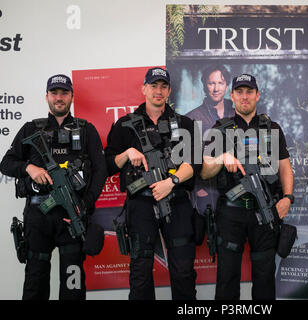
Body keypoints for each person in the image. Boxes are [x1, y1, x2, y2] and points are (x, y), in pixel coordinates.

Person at [0, 74, 107, 300]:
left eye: (64, 93)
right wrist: (30, 168)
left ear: (71, 97)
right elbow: (6, 164)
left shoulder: (87, 130)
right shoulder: (30, 129)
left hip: (72, 217)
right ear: (47, 96)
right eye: (54, 93)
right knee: (35, 282)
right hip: (38, 215)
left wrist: (85, 204)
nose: (59, 98)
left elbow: (100, 171)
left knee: (73, 284)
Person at [104, 67, 198, 300]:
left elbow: (194, 162)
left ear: (169, 91)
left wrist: (171, 182)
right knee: (141, 272)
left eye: (163, 86)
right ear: (144, 88)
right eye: (153, 86)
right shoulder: (125, 124)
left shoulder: (184, 123)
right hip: (141, 205)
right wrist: (127, 153)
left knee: (184, 271)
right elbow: (108, 164)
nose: (158, 91)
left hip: (176, 202)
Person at [200, 73, 294, 300]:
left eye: (249, 92)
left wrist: (288, 198)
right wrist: (223, 157)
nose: (244, 96)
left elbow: (284, 167)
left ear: (257, 95)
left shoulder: (272, 127)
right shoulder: (220, 128)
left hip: (265, 212)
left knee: (264, 276)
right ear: (231, 96)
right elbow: (204, 170)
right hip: (231, 213)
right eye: (239, 92)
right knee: (227, 277)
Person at [186, 65, 235, 215]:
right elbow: (189, 161)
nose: (216, 88)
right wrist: (198, 189)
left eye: (220, 83)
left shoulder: (237, 115)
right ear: (204, 85)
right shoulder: (191, 118)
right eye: (211, 83)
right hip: (206, 190)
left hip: (235, 188)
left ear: (227, 86)